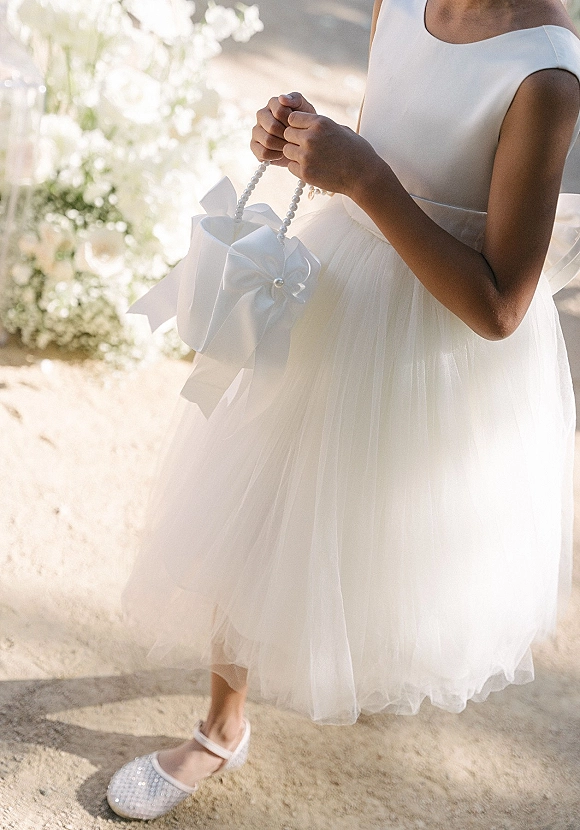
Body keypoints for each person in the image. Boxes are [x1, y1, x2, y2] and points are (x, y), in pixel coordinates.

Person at [106, 0, 580, 820]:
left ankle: (340, 660)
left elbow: (501, 306)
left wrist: (363, 176)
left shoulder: (544, 72)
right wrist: (304, 146)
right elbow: (384, 149)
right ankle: (222, 728)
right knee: (262, 486)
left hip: (438, 336)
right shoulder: (399, 2)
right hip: (343, 284)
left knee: (376, 522)